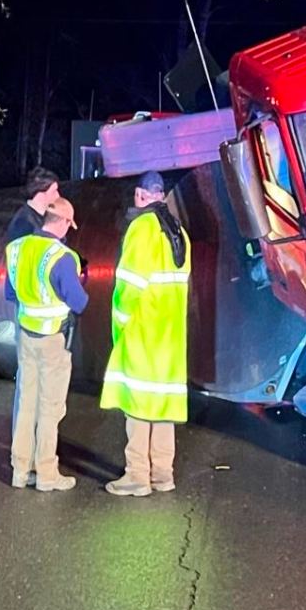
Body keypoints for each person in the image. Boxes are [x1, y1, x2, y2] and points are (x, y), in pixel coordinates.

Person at [100, 170, 191, 497]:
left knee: (137, 405)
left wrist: (121, 322)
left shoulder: (141, 229)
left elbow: (130, 285)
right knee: (162, 405)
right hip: (171, 335)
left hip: (143, 331)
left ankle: (137, 476)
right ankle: (163, 474)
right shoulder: (178, 232)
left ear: (141, 196)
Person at [5, 196, 88, 491]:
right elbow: (79, 303)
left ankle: (19, 470)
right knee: (50, 407)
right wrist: (80, 280)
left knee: (25, 402)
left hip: (26, 336)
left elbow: (11, 293)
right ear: (64, 222)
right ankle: (47, 474)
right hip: (53, 339)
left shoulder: (17, 249)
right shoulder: (61, 257)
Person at [5, 166, 62, 243]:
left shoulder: (40, 216)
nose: (57, 196)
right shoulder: (23, 224)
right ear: (40, 195)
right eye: (53, 191)